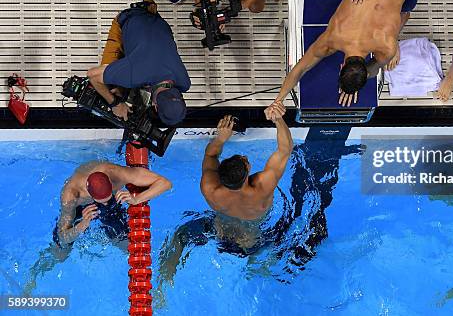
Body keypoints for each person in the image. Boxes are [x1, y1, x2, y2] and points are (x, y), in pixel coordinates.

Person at [266, 0, 419, 114]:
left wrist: (356, 79)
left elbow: (301, 68)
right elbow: (299, 69)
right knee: (397, 20)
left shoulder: (387, 46)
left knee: (403, 13)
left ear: (342, 67)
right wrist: (278, 100)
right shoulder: (336, 37)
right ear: (341, 67)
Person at [156, 111, 293, 290]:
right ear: (248, 172)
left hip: (220, 233)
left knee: (181, 236)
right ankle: (255, 269)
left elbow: (211, 156)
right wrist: (278, 118)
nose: (245, 158)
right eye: (245, 161)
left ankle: (163, 284)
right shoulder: (262, 186)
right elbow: (285, 149)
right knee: (275, 246)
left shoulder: (210, 188)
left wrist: (221, 138)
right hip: (250, 242)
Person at [24, 161, 171, 294]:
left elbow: (165, 183)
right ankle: (33, 276)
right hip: (82, 208)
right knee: (60, 253)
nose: (105, 204)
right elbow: (63, 237)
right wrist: (81, 226)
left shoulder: (116, 173)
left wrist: (136, 199)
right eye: (102, 201)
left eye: (107, 200)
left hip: (112, 196)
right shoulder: (71, 195)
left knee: (128, 246)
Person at [86, 4, 190, 126]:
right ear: (155, 107)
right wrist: (115, 104)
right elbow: (92, 75)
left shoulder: (185, 82)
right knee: (109, 88)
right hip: (129, 17)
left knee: (126, 80)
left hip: (158, 21)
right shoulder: (134, 74)